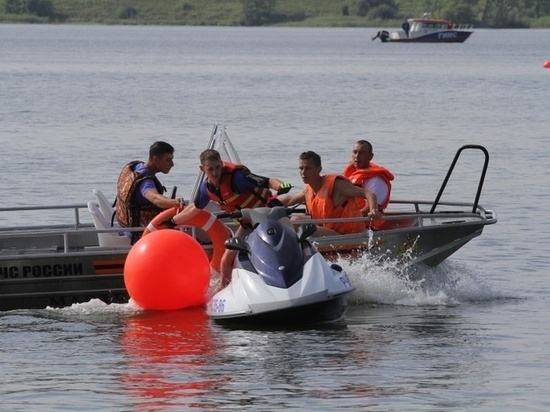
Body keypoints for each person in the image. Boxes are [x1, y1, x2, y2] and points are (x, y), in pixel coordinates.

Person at [166, 149, 293, 286]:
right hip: (248, 223)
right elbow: (194, 208)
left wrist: (280, 186)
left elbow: (268, 181)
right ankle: (223, 289)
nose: (215, 173)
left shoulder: (238, 178)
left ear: (221, 164)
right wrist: (173, 221)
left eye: (217, 167)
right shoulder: (206, 189)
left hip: (272, 214)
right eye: (210, 169)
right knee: (227, 258)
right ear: (202, 169)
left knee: (291, 242)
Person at [279, 151, 380, 236]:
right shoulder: (308, 190)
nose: (303, 172)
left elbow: (369, 194)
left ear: (319, 169)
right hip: (328, 232)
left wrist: (374, 210)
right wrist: (268, 204)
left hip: (347, 236)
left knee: (303, 226)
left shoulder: (337, 185)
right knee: (294, 219)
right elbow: (289, 199)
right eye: (301, 168)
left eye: (308, 168)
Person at [115, 141, 184, 242]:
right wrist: (176, 202)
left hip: (123, 226)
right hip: (137, 234)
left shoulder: (135, 167)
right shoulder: (145, 183)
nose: (172, 164)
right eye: (168, 160)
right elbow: (156, 199)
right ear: (155, 159)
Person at [343, 140, 394, 211]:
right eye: (355, 152)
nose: (357, 156)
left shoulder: (376, 181)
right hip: (350, 216)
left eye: (362, 153)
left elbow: (368, 210)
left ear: (370, 156)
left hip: (368, 220)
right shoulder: (353, 174)